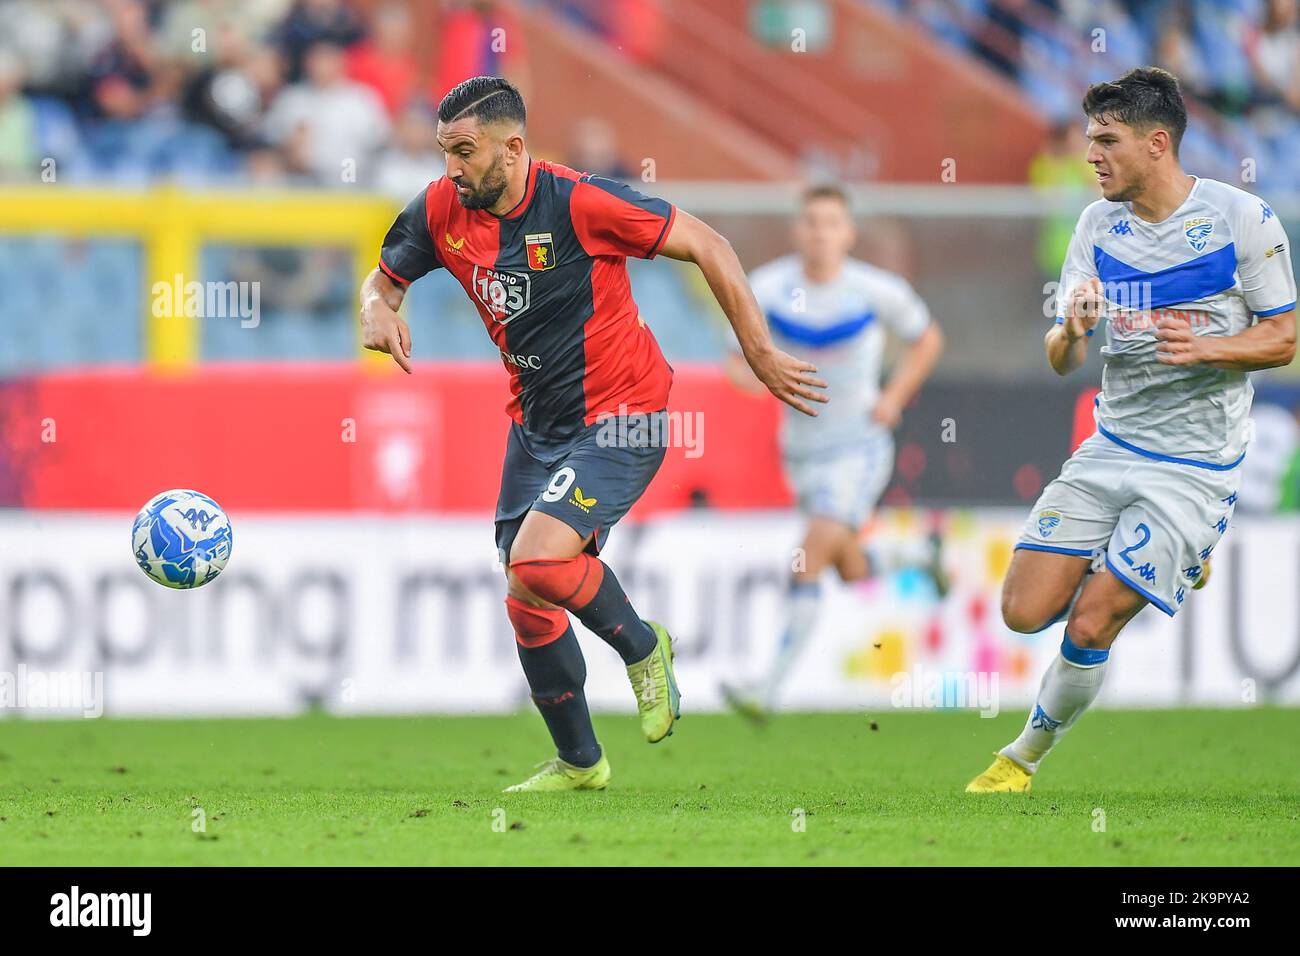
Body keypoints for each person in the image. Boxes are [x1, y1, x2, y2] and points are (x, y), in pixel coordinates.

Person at [358, 76, 827, 791]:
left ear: (513, 149)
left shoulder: (580, 202)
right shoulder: (438, 208)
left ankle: (643, 646)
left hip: (624, 413)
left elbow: (707, 241)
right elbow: (382, 282)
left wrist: (759, 352)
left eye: (464, 150)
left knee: (538, 560)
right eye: (443, 151)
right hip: (537, 422)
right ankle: (581, 762)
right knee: (525, 594)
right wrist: (375, 309)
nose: (450, 167)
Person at [968, 67, 1296, 793]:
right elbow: (1060, 358)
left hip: (1194, 467)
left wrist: (1207, 347)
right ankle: (1167, 558)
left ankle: (1019, 758)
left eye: (1106, 140)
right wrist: (1073, 332)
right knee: (1023, 611)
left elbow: (1284, 339)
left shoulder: (1244, 220)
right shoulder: (1094, 225)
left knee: (1089, 622)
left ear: (1156, 144)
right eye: (1089, 139)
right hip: (1111, 446)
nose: (1091, 155)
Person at [720, 184, 945, 719]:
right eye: (811, 223)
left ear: (848, 233)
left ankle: (766, 689)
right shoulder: (768, 288)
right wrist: (755, 379)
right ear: (798, 230)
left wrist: (893, 397)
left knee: (807, 561)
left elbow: (928, 339)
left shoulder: (874, 290)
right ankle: (918, 555)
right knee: (848, 567)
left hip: (858, 449)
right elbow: (735, 359)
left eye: (831, 223)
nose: (820, 233)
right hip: (800, 452)